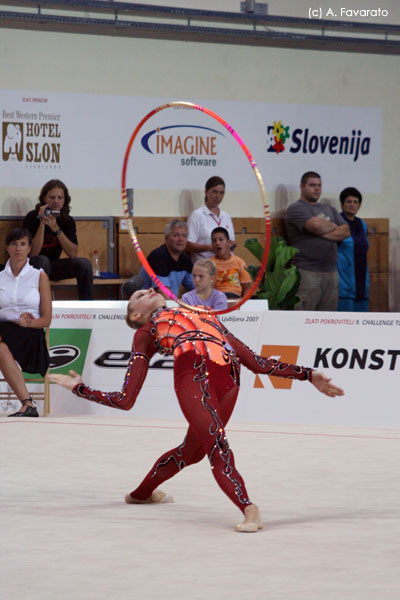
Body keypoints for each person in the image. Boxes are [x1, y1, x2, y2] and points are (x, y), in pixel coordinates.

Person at [49, 288, 344, 533]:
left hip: (230, 378)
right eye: (138, 295)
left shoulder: (201, 312)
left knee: (192, 452)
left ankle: (140, 495)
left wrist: (308, 374)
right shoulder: (145, 332)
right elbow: (127, 399)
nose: (147, 289)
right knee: (217, 445)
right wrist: (80, 388)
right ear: (135, 315)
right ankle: (249, 508)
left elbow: (254, 361)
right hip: (193, 373)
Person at [0, 228, 52, 417]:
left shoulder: (39, 276)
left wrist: (29, 323)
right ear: (7, 247)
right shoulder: (0, 277)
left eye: (23, 244)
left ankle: (28, 404)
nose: (18, 248)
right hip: (4, 330)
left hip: (30, 334)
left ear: (30, 248)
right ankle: (28, 404)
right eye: (14, 244)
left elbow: (47, 319)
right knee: (1, 346)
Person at [285, 172, 350, 311]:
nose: (317, 189)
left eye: (319, 185)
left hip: (331, 273)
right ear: (302, 187)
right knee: (304, 319)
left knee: (328, 321)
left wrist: (320, 233)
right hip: (307, 271)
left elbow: (345, 231)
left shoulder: (329, 208)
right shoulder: (296, 208)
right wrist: (331, 226)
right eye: (312, 185)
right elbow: (316, 226)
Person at [23, 179, 94, 300]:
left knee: (84, 264)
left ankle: (87, 306)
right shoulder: (32, 217)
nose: (56, 201)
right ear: (44, 199)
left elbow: (73, 253)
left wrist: (56, 228)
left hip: (53, 265)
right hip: (32, 265)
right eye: (52, 197)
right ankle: (42, 306)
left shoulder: (67, 220)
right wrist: (42, 223)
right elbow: (32, 253)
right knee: (42, 260)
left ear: (65, 200)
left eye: (60, 197)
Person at [122, 220, 194, 299]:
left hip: (167, 304)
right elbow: (163, 291)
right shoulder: (158, 256)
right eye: (176, 235)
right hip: (147, 304)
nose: (181, 239)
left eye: (184, 236)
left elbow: (194, 286)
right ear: (166, 238)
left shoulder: (185, 259)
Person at [186, 176, 235, 263]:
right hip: (205, 268)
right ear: (206, 191)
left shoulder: (226, 216)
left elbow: (231, 242)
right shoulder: (197, 215)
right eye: (214, 192)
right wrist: (209, 248)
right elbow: (187, 245)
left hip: (225, 266)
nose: (218, 196)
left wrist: (230, 245)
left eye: (221, 193)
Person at [337, 187, 369, 312]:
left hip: (362, 285)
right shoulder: (337, 222)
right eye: (348, 201)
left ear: (359, 205)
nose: (352, 205)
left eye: (355, 202)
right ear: (342, 204)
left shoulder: (362, 224)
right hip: (344, 286)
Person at [210, 227, 252, 299]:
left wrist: (242, 303)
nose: (217, 243)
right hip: (216, 299)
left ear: (229, 243)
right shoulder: (208, 264)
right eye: (214, 241)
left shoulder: (239, 262)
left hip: (235, 299)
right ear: (212, 245)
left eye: (221, 240)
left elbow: (247, 287)